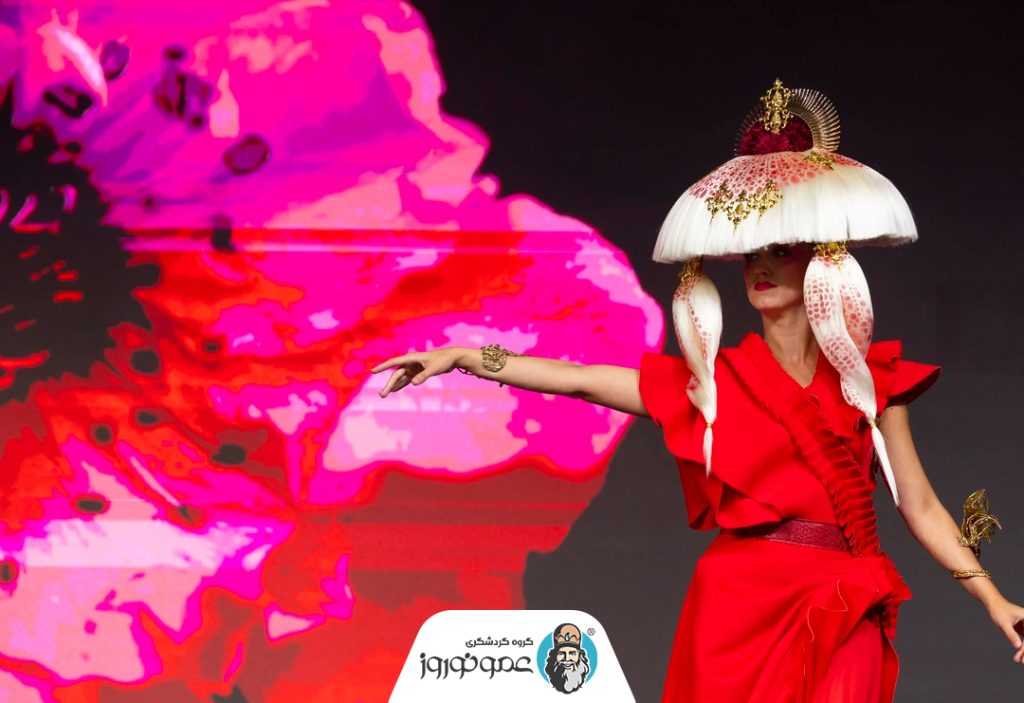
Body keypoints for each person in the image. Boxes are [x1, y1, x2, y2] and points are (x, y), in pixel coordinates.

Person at [371, 81, 1024, 702]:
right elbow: (581, 381)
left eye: (780, 249)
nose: (760, 265)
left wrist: (993, 598)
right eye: (749, 254)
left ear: (821, 255)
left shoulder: (871, 382)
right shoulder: (713, 384)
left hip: (843, 596)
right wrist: (465, 358)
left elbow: (921, 506)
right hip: (736, 606)